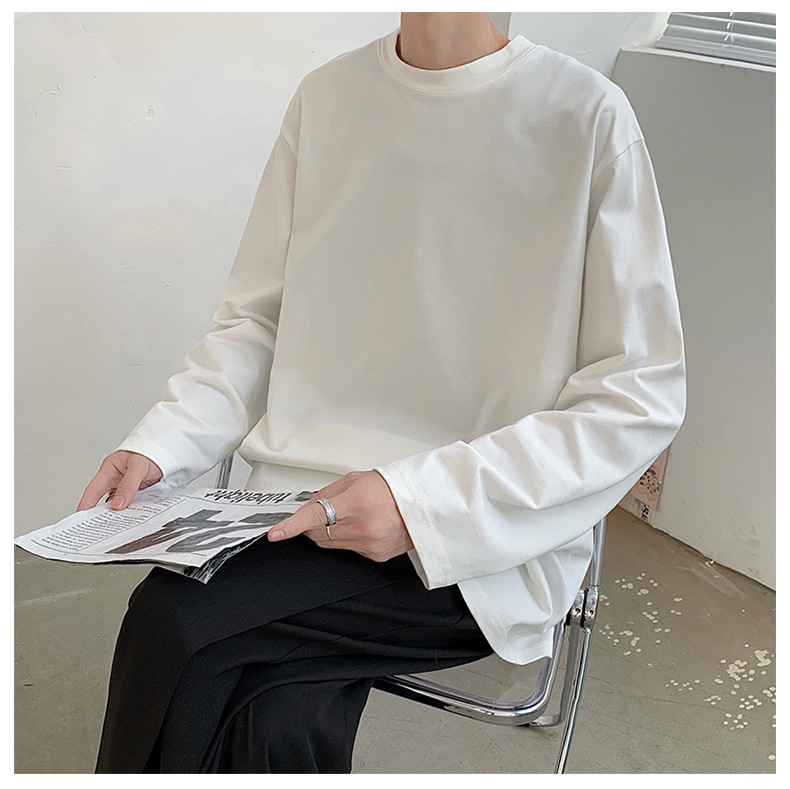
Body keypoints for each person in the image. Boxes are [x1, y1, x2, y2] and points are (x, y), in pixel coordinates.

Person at [78, 12, 687, 773]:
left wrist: (418, 502)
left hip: (476, 532)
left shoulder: (587, 117)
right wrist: (164, 443)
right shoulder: (326, 99)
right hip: (293, 508)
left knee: (175, 622)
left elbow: (636, 396)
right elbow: (258, 322)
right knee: (275, 713)